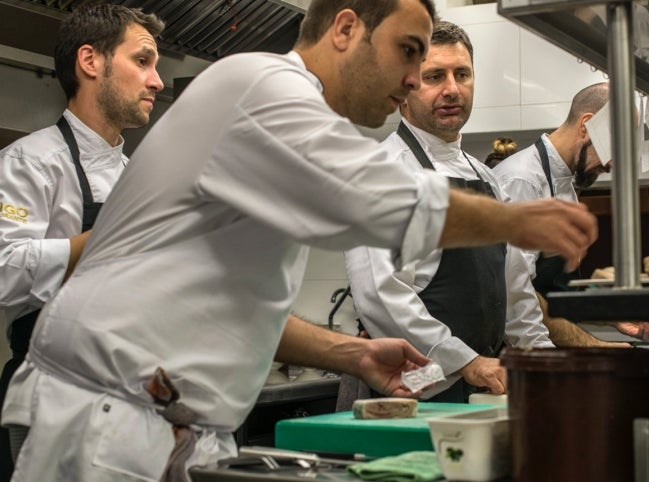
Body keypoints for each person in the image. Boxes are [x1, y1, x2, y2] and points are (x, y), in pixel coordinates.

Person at [2, 1, 597, 480]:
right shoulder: (258, 83)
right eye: (408, 52)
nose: (415, 78)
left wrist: (350, 354)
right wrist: (518, 221)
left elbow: (232, 300)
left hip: (170, 428)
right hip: (107, 420)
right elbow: (368, 199)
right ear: (345, 29)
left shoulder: (289, 122)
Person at [341, 20, 553, 405]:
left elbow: (514, 290)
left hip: (484, 386)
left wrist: (544, 360)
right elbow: (381, 294)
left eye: (462, 74)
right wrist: (466, 362)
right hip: (417, 389)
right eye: (434, 76)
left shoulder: (487, 179)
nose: (452, 89)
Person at [0, 4, 165, 480]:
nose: (156, 81)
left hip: (136, 397)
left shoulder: (140, 177)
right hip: (54, 397)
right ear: (90, 62)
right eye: (143, 61)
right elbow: (4, 268)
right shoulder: (30, 162)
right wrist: (105, 239)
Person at [493, 82, 649, 346]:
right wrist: (568, 354)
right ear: (586, 126)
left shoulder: (564, 185)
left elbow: (552, 293)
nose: (613, 164)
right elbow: (514, 297)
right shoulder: (523, 182)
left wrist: (607, 314)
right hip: (517, 358)